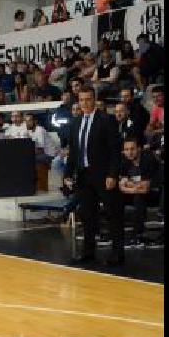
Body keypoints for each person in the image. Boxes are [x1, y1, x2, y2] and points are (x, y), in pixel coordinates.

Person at [65, 86, 124, 266]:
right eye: (81, 100)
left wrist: (113, 174)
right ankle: (88, 252)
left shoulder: (107, 120)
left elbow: (115, 151)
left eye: (88, 99)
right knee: (87, 215)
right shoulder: (75, 122)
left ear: (94, 99)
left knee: (113, 214)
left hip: (104, 175)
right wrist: (68, 174)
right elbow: (73, 152)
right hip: (84, 175)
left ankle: (118, 254)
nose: (85, 103)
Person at [117, 136, 160, 248]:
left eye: (132, 149)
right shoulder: (124, 161)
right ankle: (115, 233)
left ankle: (138, 235)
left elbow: (145, 188)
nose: (129, 152)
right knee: (115, 196)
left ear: (139, 149)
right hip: (135, 192)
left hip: (154, 194)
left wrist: (130, 184)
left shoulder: (148, 159)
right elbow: (121, 186)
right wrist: (134, 187)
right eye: (126, 150)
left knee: (139, 198)